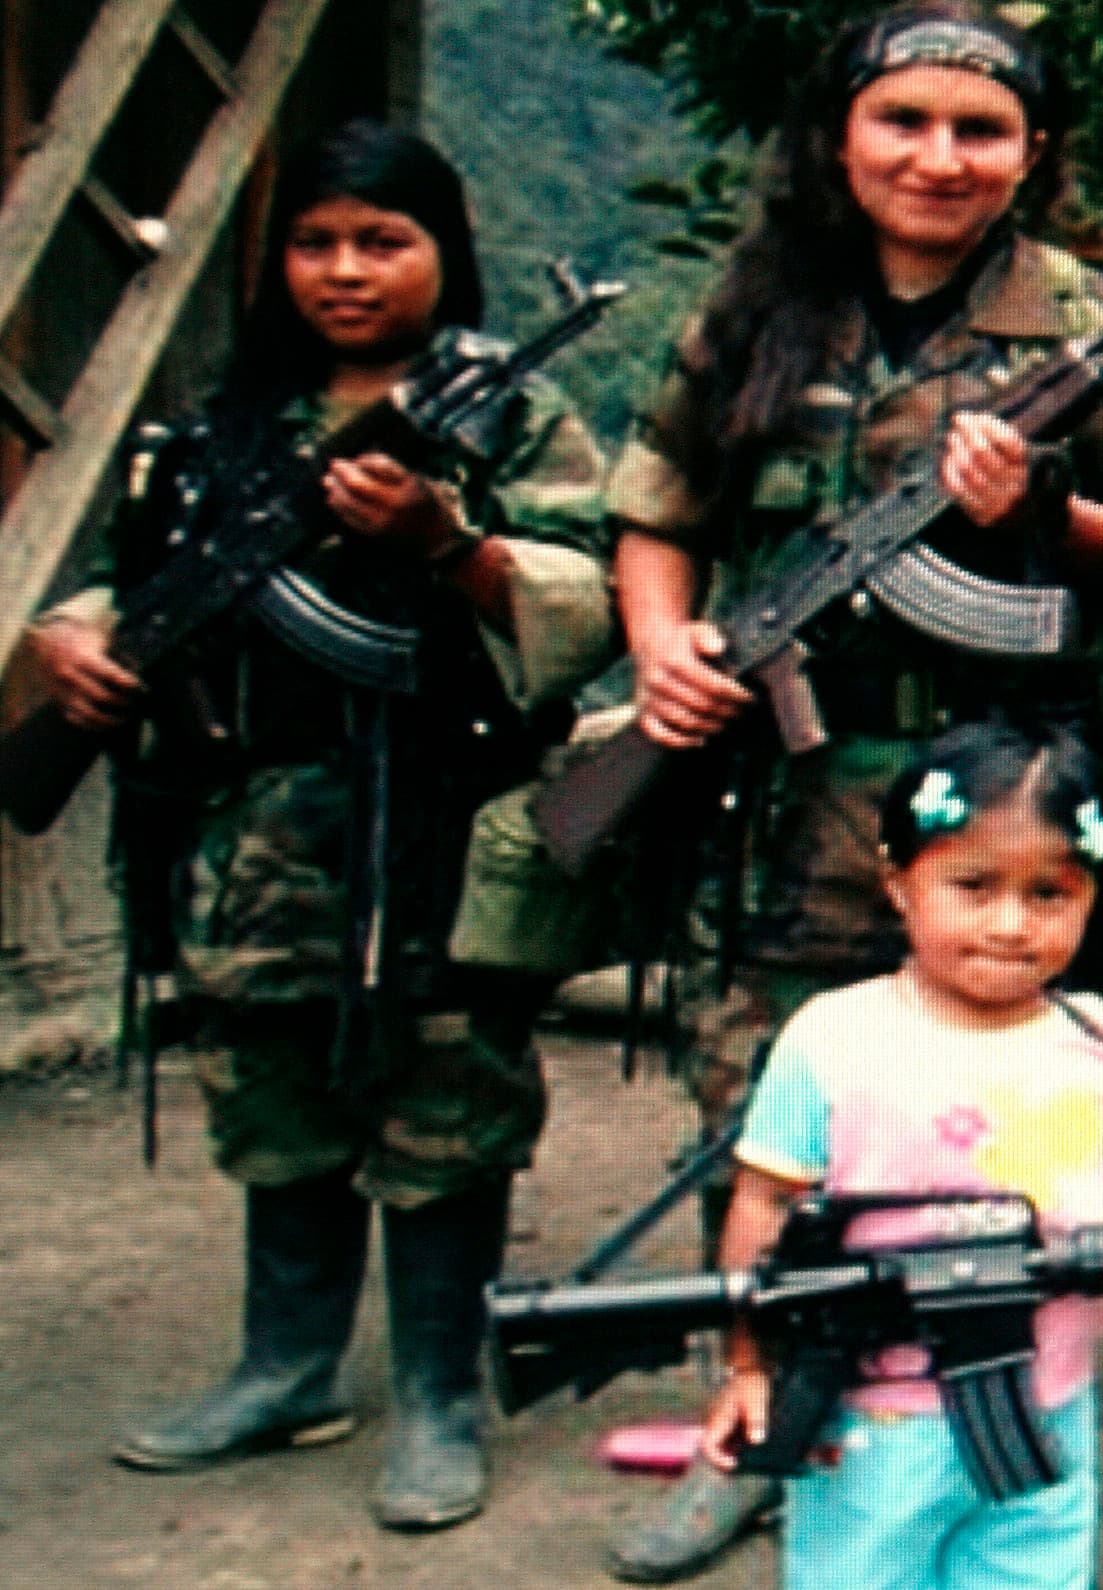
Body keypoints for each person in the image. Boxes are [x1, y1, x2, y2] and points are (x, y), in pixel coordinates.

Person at [595, 6, 1103, 1578]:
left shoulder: (1099, 329)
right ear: (841, 136)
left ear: (1034, 152)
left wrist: (1047, 510)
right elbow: (658, 503)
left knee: (996, 1134)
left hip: (1002, 820)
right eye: (903, 122)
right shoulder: (756, 312)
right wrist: (663, 652)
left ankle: (987, 1434)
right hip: (789, 799)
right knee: (770, 1126)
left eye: (980, 130)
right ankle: (760, 1422)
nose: (940, 157)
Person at [16, 120, 610, 1529]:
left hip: (441, 817)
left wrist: (445, 542)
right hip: (255, 829)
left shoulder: (510, 414)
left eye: (382, 241)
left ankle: (440, 1395)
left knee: (446, 1093)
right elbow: (132, 572)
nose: (345, 270)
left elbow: (581, 597)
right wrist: (75, 637)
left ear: (441, 253)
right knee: (271, 1088)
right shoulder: (213, 428)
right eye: (315, 241)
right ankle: (285, 1368)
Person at [697, 721, 1103, 1590]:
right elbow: (762, 1211)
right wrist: (749, 1366)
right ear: (900, 884)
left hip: (1047, 1404)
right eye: (972, 885)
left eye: (1051, 894)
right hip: (871, 1418)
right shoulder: (832, 1039)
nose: (1010, 925)